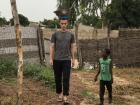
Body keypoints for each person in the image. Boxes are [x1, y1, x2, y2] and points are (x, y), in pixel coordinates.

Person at [50, 16, 76, 104]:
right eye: (62, 23)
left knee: (66, 78)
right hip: (57, 59)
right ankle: (59, 94)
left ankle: (65, 96)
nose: (63, 25)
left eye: (65, 23)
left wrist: (73, 59)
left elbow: (72, 47)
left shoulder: (71, 35)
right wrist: (51, 58)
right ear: (59, 24)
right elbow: (52, 47)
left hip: (67, 60)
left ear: (67, 23)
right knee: (57, 78)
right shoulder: (55, 34)